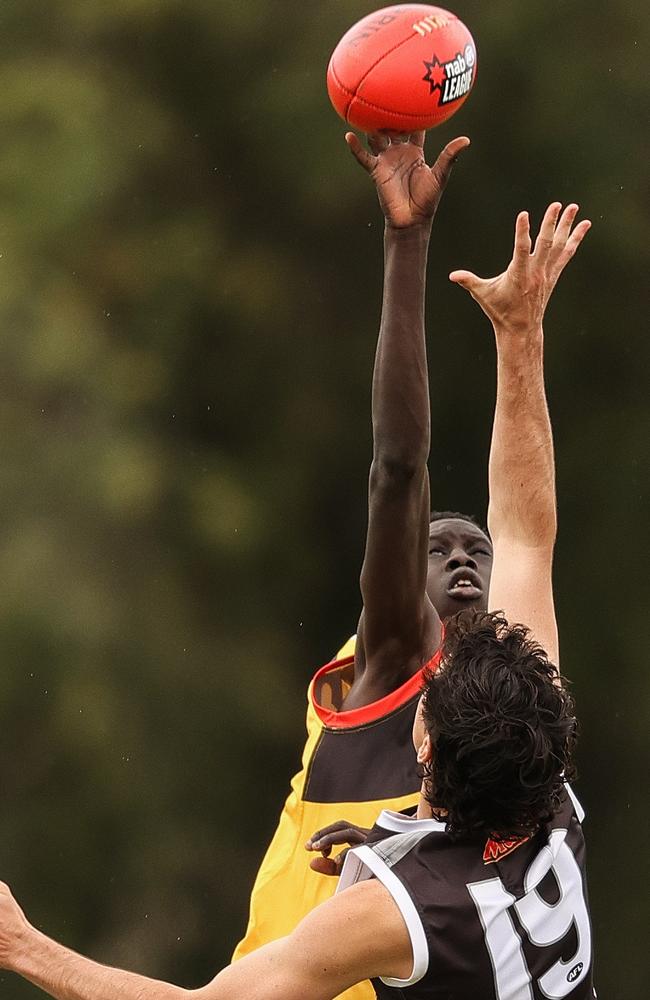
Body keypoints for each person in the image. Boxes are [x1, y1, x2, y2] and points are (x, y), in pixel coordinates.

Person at [0, 151, 593, 996]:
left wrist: (25, 947)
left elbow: (437, 489)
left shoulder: (402, 909)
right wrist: (521, 332)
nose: (465, 559)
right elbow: (525, 532)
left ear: (426, 745)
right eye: (439, 547)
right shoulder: (541, 772)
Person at [232, 133, 492, 1000]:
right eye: (438, 548)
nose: (461, 557)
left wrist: (402, 832)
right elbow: (397, 469)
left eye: (475, 549)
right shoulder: (392, 657)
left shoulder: (503, 720)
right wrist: (406, 242)